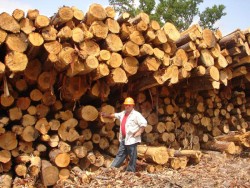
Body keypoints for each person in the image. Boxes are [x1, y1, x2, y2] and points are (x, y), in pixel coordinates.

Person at [100, 97, 147, 172]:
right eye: (126, 105)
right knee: (120, 154)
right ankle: (112, 169)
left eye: (129, 105)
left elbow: (144, 123)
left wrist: (139, 132)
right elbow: (115, 115)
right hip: (124, 138)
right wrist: (106, 115)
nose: (127, 106)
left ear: (132, 106)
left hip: (132, 139)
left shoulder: (136, 115)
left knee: (132, 156)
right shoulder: (123, 113)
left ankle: (130, 171)